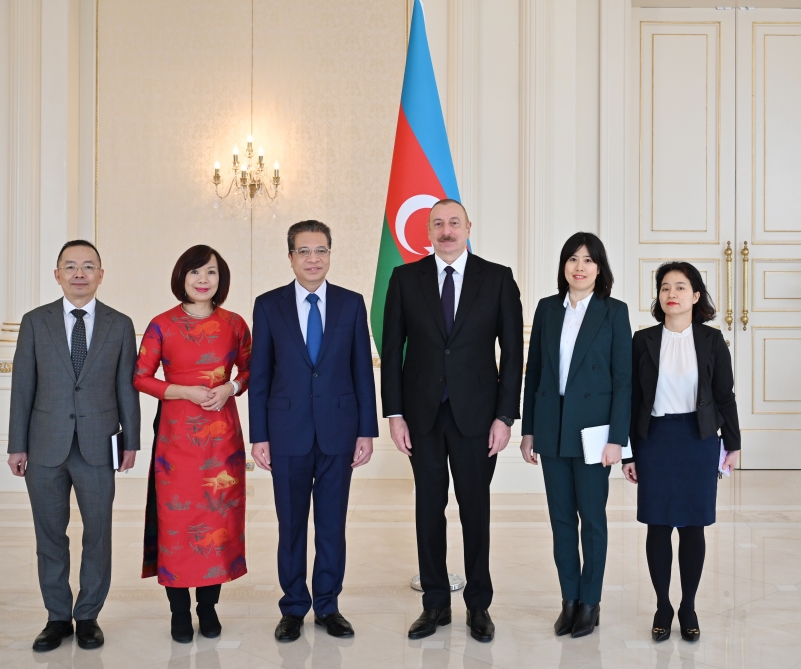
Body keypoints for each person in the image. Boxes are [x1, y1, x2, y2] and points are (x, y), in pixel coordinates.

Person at [381, 199, 523, 643]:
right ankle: (435, 604)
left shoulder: (497, 278)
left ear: (468, 228)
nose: (446, 231)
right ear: (428, 231)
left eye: (454, 223)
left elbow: (513, 354)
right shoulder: (404, 279)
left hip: (478, 417)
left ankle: (478, 605)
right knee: (428, 508)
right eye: (438, 224)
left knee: (475, 510)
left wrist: (505, 416)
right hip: (421, 415)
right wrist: (395, 413)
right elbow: (391, 351)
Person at [7, 240, 140, 651]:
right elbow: (23, 386)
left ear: (101, 274)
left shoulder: (120, 324)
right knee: (50, 535)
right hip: (44, 446)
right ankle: (57, 617)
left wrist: (131, 441)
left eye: (87, 266)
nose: (79, 273)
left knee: (97, 534)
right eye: (70, 266)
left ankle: (88, 616)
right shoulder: (35, 322)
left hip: (98, 445)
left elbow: (127, 388)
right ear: (57, 275)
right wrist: (16, 444)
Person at [249, 220, 378, 642]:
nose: (313, 259)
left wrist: (366, 431)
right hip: (286, 432)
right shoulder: (268, 305)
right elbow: (260, 374)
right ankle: (292, 607)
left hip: (339, 431)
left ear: (330, 255)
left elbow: (362, 371)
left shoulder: (351, 303)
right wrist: (259, 435)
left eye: (321, 250)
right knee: (290, 526)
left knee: (331, 524)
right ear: (290, 257)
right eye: (304, 251)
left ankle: (327, 606)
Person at [133, 245, 251, 643]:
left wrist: (230, 387)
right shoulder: (162, 324)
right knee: (177, 527)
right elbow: (140, 376)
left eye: (211, 272)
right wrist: (183, 391)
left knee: (219, 523)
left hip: (222, 442)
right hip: (176, 443)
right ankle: (179, 612)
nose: (203, 279)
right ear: (181, 277)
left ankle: (208, 607)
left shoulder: (234, 324)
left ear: (221, 279)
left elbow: (251, 369)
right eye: (195, 272)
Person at [520, 232, 631, 638]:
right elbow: (534, 373)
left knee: (592, 519)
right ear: (564, 266)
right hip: (552, 427)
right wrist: (529, 429)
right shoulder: (547, 309)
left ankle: (590, 601)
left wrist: (618, 438)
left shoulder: (613, 311)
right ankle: (569, 599)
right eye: (572, 259)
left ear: (599, 269)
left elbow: (624, 381)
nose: (579, 266)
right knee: (561, 519)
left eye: (587, 260)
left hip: (594, 433)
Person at [622, 262, 740, 643]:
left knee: (693, 527)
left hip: (699, 440)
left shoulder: (712, 340)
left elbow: (725, 396)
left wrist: (733, 444)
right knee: (657, 526)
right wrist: (628, 453)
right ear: (658, 297)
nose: (671, 293)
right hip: (655, 441)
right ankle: (662, 606)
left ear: (695, 295)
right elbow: (631, 399)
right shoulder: (642, 340)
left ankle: (688, 607)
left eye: (680, 287)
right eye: (664, 287)